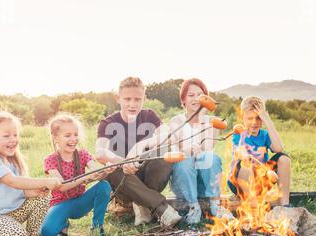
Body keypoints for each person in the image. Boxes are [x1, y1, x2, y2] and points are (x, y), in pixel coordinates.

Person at [95, 76, 182, 227]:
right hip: (125, 184)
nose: (132, 104)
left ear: (144, 99)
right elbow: (100, 152)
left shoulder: (149, 115)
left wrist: (141, 145)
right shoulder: (107, 123)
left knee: (164, 151)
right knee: (110, 168)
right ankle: (161, 208)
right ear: (118, 98)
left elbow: (169, 137)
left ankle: (142, 204)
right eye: (127, 99)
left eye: (137, 99)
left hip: (148, 179)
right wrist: (122, 163)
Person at [169, 78, 232, 224]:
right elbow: (173, 152)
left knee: (211, 157)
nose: (196, 99)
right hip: (183, 184)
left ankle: (216, 205)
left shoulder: (212, 121)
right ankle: (193, 207)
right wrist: (186, 150)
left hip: (205, 184)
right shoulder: (176, 122)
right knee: (184, 160)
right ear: (183, 99)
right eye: (191, 95)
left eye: (200, 95)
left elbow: (208, 148)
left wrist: (202, 115)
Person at [40, 114, 114, 236]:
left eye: (75, 134)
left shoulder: (83, 154)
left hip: (80, 202)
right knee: (46, 233)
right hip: (60, 204)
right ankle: (63, 224)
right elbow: (61, 186)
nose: (73, 139)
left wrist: (106, 170)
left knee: (104, 185)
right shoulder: (50, 160)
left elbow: (96, 171)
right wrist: (84, 178)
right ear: (55, 138)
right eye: (67, 135)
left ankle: (97, 226)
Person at [228, 96, 291, 207]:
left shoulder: (264, 135)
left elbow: (279, 148)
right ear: (243, 118)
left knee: (284, 159)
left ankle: (285, 205)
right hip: (240, 181)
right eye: (250, 118)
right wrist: (265, 170)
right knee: (246, 163)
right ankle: (253, 209)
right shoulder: (239, 133)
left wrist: (267, 120)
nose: (254, 122)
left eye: (258, 118)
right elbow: (243, 156)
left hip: (261, 181)